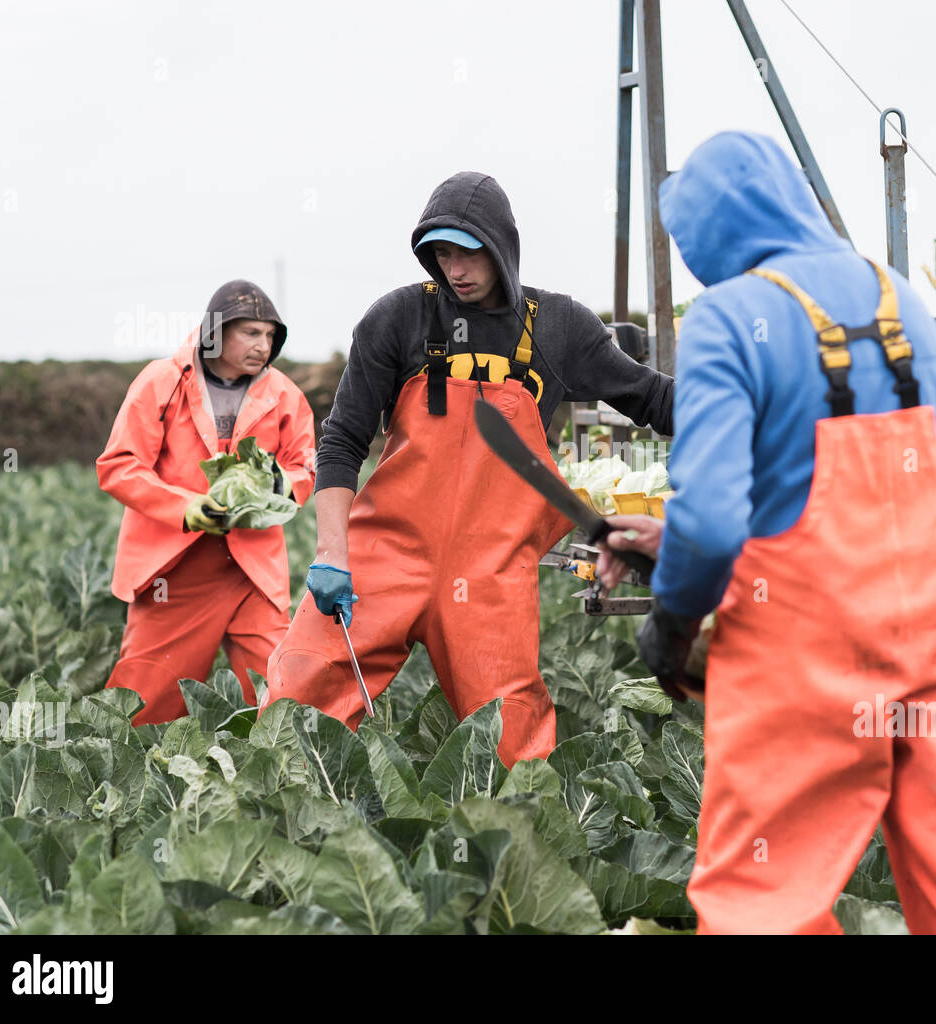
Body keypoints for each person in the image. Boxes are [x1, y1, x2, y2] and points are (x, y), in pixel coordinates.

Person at [596, 131, 936, 935]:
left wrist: (675, 617)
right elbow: (906, 494)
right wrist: (670, 539)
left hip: (806, 667)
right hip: (935, 657)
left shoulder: (729, 317)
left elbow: (718, 518)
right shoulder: (901, 298)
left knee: (764, 903)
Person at [261, 171, 674, 767]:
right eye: (442, 254)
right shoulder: (397, 318)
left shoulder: (558, 326)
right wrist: (330, 552)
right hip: (387, 556)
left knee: (510, 742)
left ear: (502, 246)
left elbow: (653, 399)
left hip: (491, 572)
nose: (455, 269)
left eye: (469, 252)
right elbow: (343, 441)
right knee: (300, 696)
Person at [97, 280, 316, 725]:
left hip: (252, 569)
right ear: (215, 332)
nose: (263, 345)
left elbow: (305, 467)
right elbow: (119, 465)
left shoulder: (285, 394)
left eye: (270, 336)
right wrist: (187, 509)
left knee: (283, 689)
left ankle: (279, 784)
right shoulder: (161, 382)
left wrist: (272, 489)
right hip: (174, 572)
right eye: (251, 333)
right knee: (143, 703)